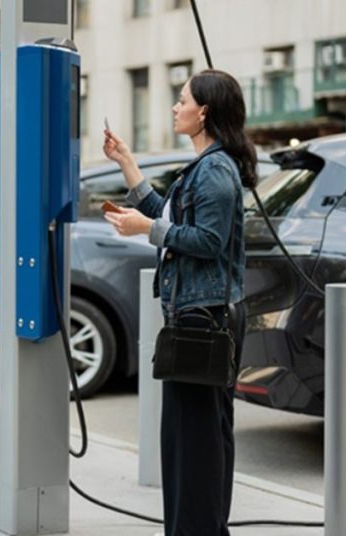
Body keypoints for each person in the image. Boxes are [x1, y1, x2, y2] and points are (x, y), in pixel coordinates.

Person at [101, 69, 256, 535]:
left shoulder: (216, 170)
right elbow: (168, 214)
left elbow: (207, 240)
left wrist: (145, 230)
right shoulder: (205, 165)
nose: (175, 106)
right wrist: (126, 162)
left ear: (203, 111)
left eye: (182, 99)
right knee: (194, 437)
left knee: (196, 442)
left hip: (204, 318)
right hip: (198, 315)